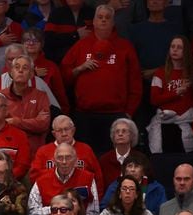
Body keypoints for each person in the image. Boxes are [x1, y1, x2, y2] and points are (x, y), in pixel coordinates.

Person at [60, 5, 141, 152]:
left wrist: (128, 112)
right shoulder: (81, 45)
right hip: (85, 115)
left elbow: (135, 82)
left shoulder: (125, 47)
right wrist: (79, 68)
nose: (103, 20)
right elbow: (64, 77)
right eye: (100, 17)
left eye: (107, 18)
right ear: (94, 22)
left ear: (113, 23)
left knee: (112, 159)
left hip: (115, 114)